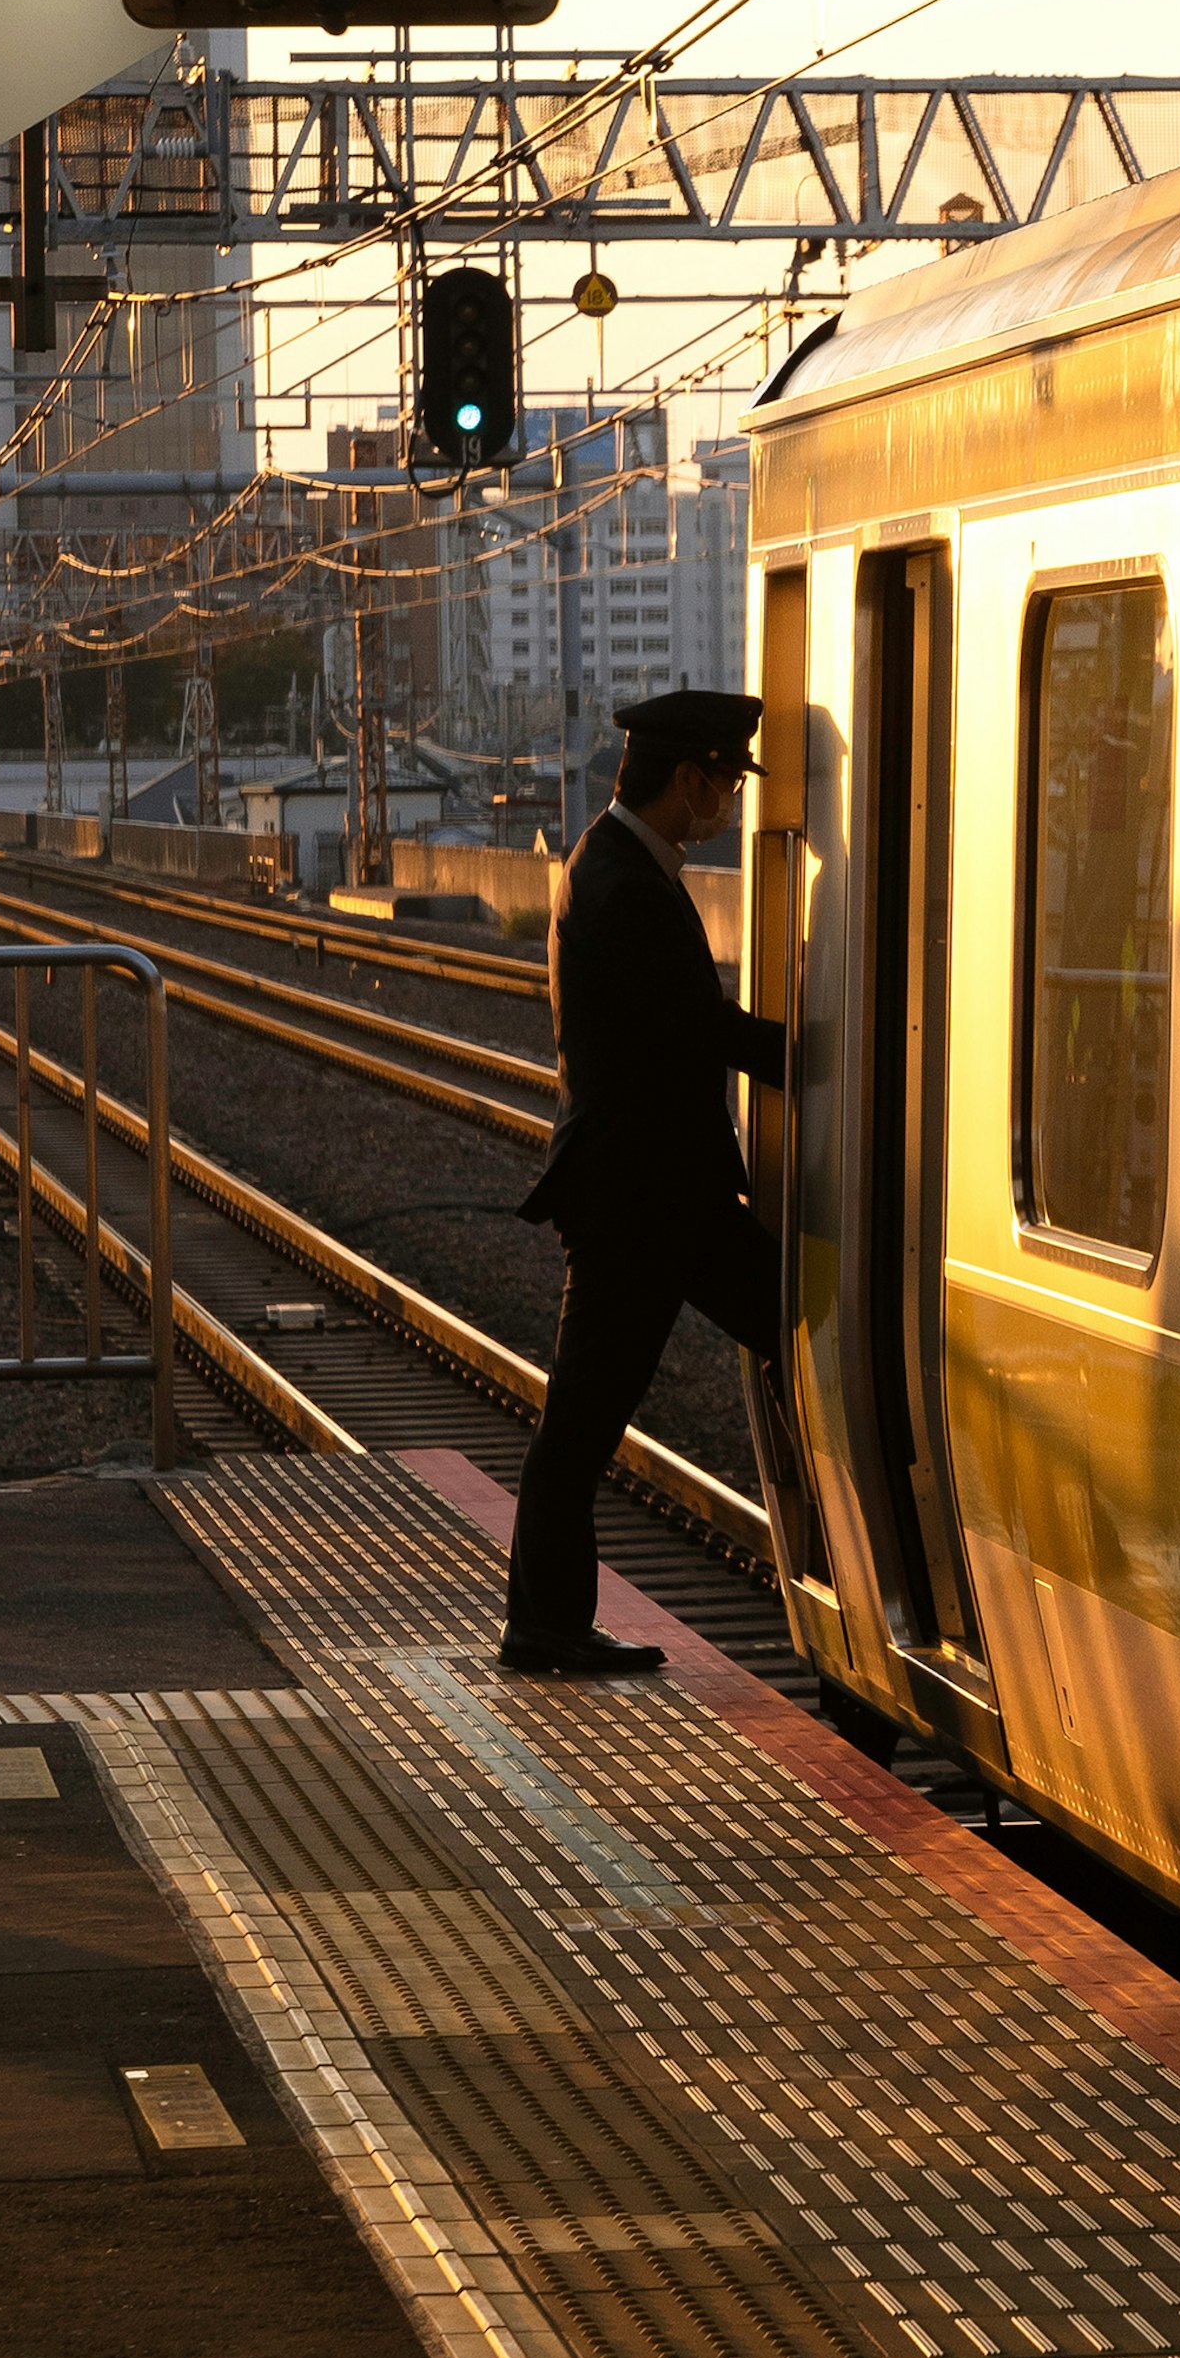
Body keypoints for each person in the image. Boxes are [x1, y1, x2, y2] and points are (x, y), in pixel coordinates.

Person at [502, 682, 787, 1677]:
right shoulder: (623, 880)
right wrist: (818, 1053)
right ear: (687, 779)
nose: (731, 805)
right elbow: (692, 1026)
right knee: (582, 1419)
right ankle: (543, 1625)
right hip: (638, 1202)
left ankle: (547, 1622)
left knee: (796, 1328)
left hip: (664, 1196)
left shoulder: (620, 862)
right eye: (724, 785)